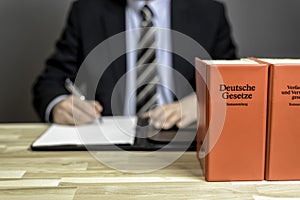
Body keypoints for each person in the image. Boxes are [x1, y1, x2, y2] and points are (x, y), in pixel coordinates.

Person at [32, 0, 236, 129]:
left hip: (186, 142)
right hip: (110, 142)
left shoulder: (209, 12)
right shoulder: (86, 11)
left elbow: (234, 85)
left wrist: (204, 104)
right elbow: (50, 81)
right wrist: (58, 105)